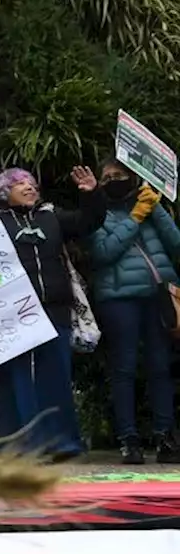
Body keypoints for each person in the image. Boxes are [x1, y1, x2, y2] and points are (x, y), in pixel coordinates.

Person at [0, 166, 105, 462]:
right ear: (2, 191)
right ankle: (15, 446)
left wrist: (91, 195)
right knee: (14, 377)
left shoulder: (52, 217)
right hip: (11, 313)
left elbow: (90, 221)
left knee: (56, 375)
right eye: (20, 183)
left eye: (32, 183)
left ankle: (61, 444)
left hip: (54, 307)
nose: (29, 187)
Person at [89, 160, 180, 464]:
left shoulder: (150, 206)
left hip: (158, 296)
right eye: (108, 177)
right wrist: (136, 217)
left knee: (160, 367)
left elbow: (176, 244)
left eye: (120, 175)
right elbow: (104, 252)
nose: (114, 180)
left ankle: (165, 436)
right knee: (124, 369)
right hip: (119, 299)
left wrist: (155, 208)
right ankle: (129, 439)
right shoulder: (98, 214)